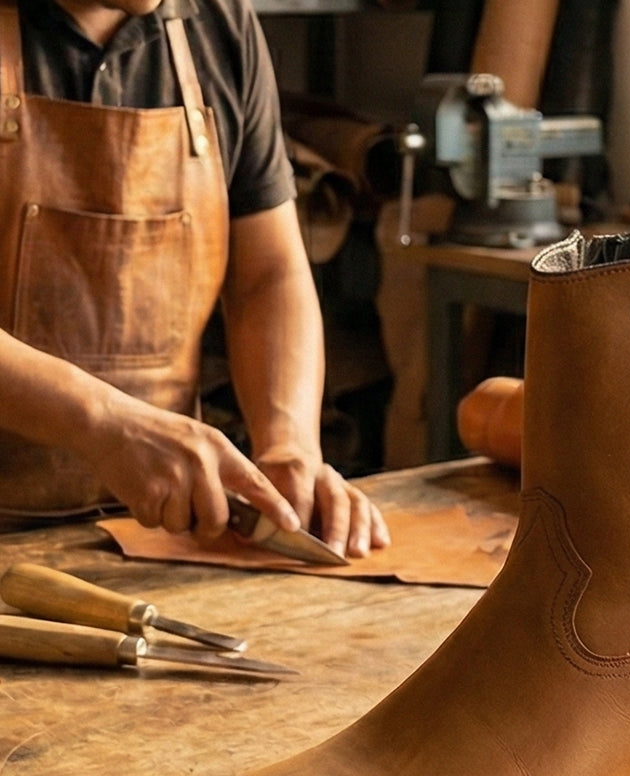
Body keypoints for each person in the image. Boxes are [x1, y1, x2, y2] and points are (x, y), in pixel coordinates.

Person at [0, 0, 390, 558]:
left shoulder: (219, 24)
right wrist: (103, 422)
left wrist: (290, 443)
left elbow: (268, 274)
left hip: (162, 538)